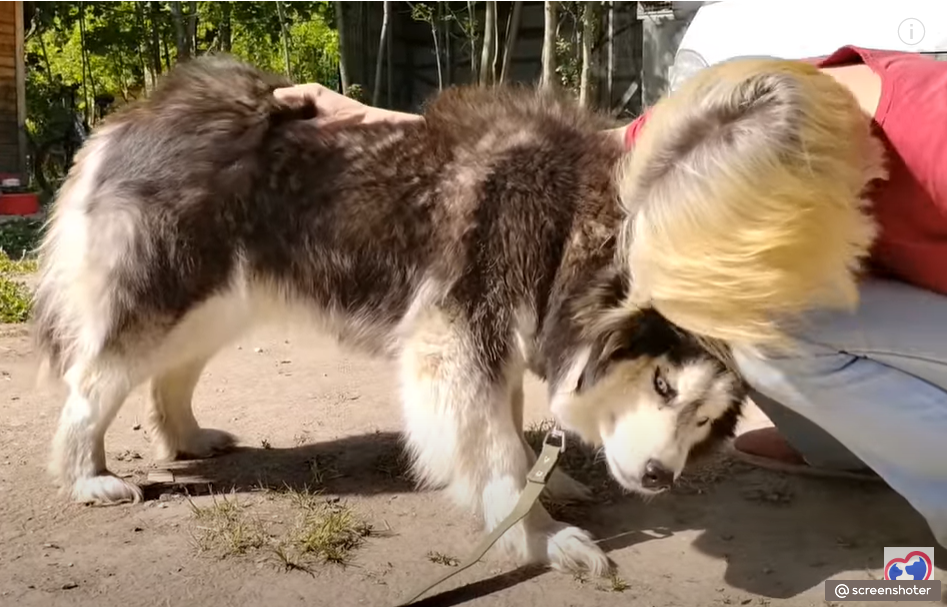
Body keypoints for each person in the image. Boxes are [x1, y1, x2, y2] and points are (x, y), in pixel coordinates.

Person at [275, 45, 947, 547]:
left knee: (775, 317)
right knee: (733, 315)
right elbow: (548, 161)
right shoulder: (717, 126)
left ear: (856, 178)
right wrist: (382, 124)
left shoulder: (934, 144)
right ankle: (848, 449)